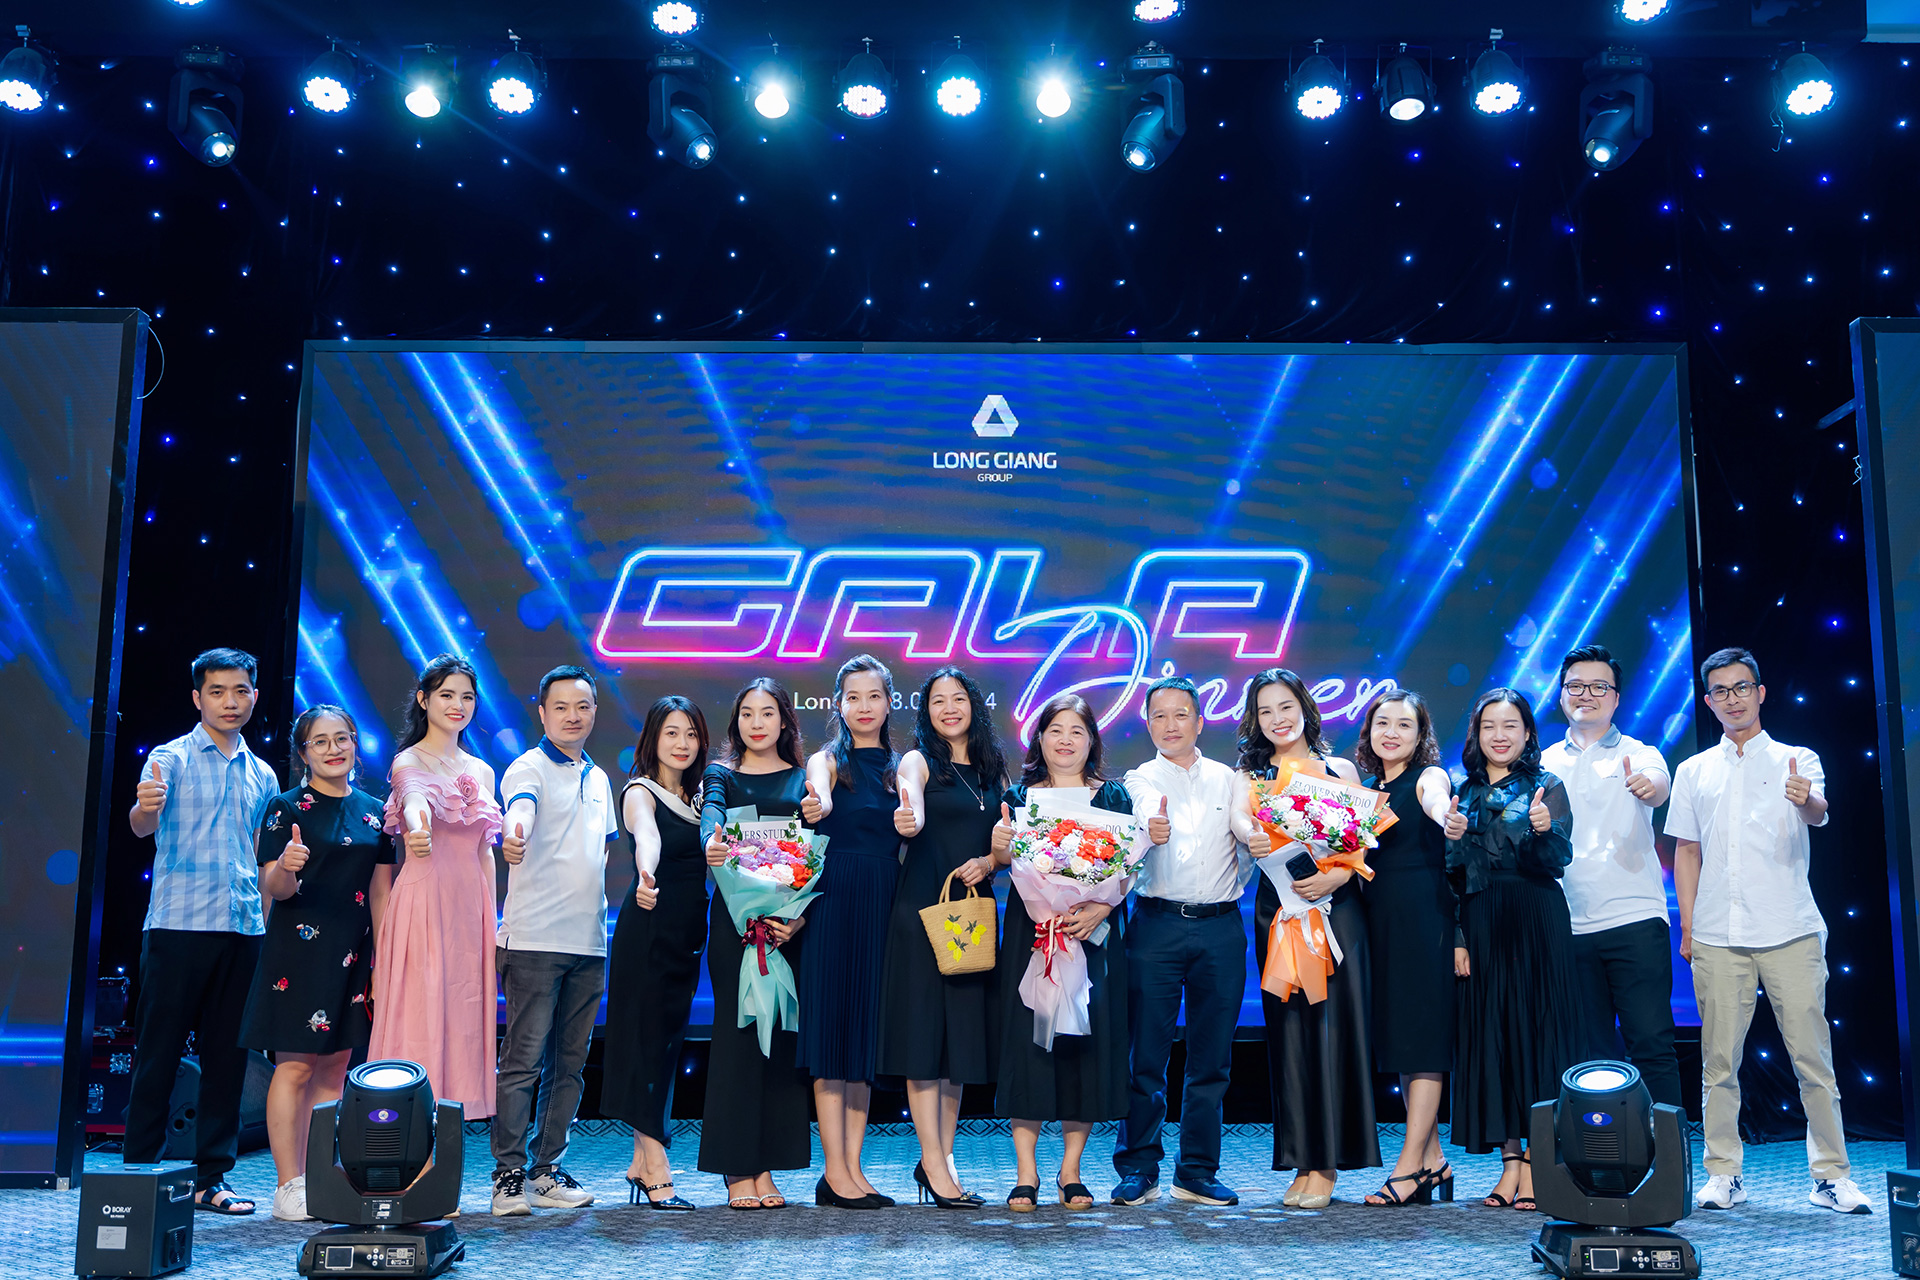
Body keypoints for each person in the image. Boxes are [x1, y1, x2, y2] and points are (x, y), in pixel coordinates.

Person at [1669, 647, 1871, 1214]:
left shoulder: (1796, 758)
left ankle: (1831, 1175)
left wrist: (1807, 798)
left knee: (1813, 1060)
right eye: (1721, 691)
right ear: (1709, 702)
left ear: (1760, 692)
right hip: (1717, 934)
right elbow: (1687, 851)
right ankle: (1724, 1173)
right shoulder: (1693, 771)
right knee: (1718, 1064)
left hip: (1790, 928)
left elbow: (1817, 812)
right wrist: (1688, 926)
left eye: (1742, 687)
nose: (1733, 699)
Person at [125, 648, 280, 1216]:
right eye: (217, 691)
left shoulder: (263, 773)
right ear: (197, 698)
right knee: (159, 1054)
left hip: (242, 928)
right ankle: (138, 1174)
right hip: (178, 926)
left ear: (254, 696)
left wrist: (263, 922)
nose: (229, 702)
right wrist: (144, 808)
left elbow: (262, 856)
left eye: (240, 691)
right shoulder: (169, 759)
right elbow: (141, 826)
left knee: (227, 1060)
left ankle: (212, 1178)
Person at [239, 705, 394, 1222]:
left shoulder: (376, 812)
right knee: (296, 1066)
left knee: (334, 1069)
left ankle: (318, 1178)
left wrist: (383, 961)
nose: (333, 749)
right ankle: (288, 1184)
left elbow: (380, 894)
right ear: (303, 753)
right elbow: (275, 888)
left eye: (342, 738)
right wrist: (286, 866)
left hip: (353, 955)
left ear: (355, 743)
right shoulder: (285, 808)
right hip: (298, 955)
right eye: (320, 742)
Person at [1232, 669, 1380, 1208]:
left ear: (1305, 708)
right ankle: (1301, 1160)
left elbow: (1361, 841)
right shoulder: (1249, 776)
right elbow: (1242, 824)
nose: (1278, 718)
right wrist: (1252, 835)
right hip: (1280, 909)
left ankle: (1329, 1164)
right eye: (1266, 710)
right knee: (1289, 1033)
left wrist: (1335, 877)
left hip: (1335, 909)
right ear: (1255, 720)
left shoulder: (1340, 770)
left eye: (1286, 706)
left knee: (1333, 1030)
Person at [990, 693, 1132, 1212]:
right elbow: (1005, 860)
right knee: (1029, 1044)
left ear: (1092, 740)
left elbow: (1129, 866)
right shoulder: (1019, 796)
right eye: (1055, 730)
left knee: (1084, 1047)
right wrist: (1000, 845)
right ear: (1040, 739)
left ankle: (1071, 1170)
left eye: (1077, 731)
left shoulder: (1113, 797)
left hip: (1092, 935)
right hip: (1033, 934)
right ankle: (1025, 1172)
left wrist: (1102, 906)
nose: (1066, 740)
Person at [1113, 674, 1249, 1209]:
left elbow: (1246, 831)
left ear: (1200, 720)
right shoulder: (1137, 778)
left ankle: (1196, 1172)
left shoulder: (1229, 779)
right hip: (1157, 925)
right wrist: (1152, 823)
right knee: (1146, 1056)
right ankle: (1138, 1167)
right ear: (1147, 724)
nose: (1170, 725)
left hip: (1221, 926)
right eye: (1159, 716)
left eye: (1181, 714)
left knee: (1212, 1060)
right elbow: (1146, 806)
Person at [1443, 687, 1578, 1212]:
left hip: (1536, 916)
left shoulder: (1547, 785)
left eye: (1510, 726)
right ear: (1476, 734)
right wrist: (1458, 937)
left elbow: (1557, 859)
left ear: (1527, 733)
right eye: (1489, 726)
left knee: (1539, 1034)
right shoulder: (1462, 792)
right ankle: (1510, 1164)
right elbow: (1450, 876)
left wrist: (1544, 830)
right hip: (1480, 921)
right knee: (1493, 1035)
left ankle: (1540, 1164)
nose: (1499, 736)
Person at [876, 665, 1006, 1210]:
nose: (949, 708)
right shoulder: (918, 760)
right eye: (937, 701)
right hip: (923, 914)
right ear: (925, 711)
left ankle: (941, 1159)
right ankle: (932, 1162)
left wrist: (991, 860)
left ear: (974, 705)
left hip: (971, 919)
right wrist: (908, 815)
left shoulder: (993, 769)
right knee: (924, 1041)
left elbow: (1004, 845)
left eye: (958, 699)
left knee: (958, 1047)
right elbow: (911, 802)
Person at [489, 666, 617, 1216]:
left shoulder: (599, 777)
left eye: (582, 706)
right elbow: (519, 809)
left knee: (570, 1066)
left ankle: (545, 1171)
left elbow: (601, 853)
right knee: (523, 1063)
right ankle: (507, 1176)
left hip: (588, 943)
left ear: (594, 712)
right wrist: (513, 833)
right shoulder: (527, 767)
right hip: (534, 942)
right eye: (560, 706)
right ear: (542, 712)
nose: (572, 716)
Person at [371, 654, 502, 1174]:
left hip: (470, 909)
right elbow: (414, 800)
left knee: (462, 1024)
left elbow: (486, 852)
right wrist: (419, 827)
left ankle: (441, 1168)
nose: (457, 705)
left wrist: (494, 920)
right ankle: (411, 1164)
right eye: (447, 695)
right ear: (424, 700)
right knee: (419, 1021)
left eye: (467, 696)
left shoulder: (482, 771)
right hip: (424, 904)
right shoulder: (408, 761)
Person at [1540, 644, 1682, 1111]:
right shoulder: (1542, 763)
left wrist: (1648, 786)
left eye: (1599, 686)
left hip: (1634, 919)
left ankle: (1666, 1151)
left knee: (1651, 1044)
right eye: (1576, 686)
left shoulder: (1639, 753)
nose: (1587, 694)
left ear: (1616, 698)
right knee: (1589, 1055)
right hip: (1567, 924)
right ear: (1561, 694)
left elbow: (1658, 786)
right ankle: (1601, 1150)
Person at [698, 678, 812, 1209]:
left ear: (784, 720)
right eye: (747, 713)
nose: (757, 723)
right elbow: (712, 812)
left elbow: (816, 851)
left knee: (780, 1043)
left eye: (768, 713)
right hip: (734, 924)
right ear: (736, 721)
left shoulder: (803, 780)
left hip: (788, 927)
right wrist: (711, 840)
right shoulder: (721, 774)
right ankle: (736, 1166)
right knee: (738, 1039)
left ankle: (767, 1164)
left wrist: (800, 917)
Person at [798, 655, 902, 1209]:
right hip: (834, 902)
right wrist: (821, 801)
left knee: (864, 1041)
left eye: (874, 696)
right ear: (838, 704)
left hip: (884, 905)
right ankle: (833, 1171)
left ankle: (853, 1169)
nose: (864, 706)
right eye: (853, 697)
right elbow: (819, 792)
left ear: (889, 702)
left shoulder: (902, 767)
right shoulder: (827, 761)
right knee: (832, 1036)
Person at [601, 695, 710, 1210]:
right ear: (653, 738)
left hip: (687, 933)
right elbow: (648, 836)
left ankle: (640, 1161)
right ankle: (657, 1166)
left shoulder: (703, 799)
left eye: (690, 733)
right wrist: (646, 872)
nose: (682, 743)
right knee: (644, 1042)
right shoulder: (639, 791)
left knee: (666, 1045)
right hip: (648, 927)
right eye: (671, 732)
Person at [1351, 689, 1458, 1208]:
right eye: (1382, 723)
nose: (1391, 732)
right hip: (1380, 923)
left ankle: (1409, 1166)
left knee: (1423, 1043)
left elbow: (1438, 801)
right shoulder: (1367, 791)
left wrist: (1445, 815)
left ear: (1420, 736)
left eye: (1404, 725)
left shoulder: (1428, 778)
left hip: (1424, 921)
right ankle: (1434, 1161)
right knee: (1402, 1042)